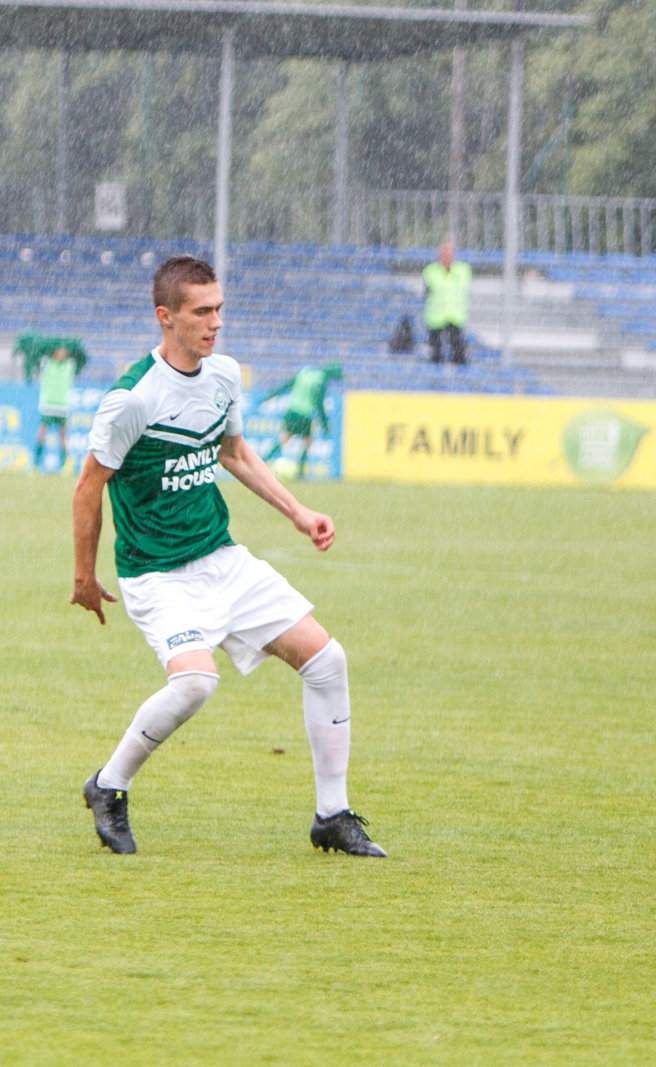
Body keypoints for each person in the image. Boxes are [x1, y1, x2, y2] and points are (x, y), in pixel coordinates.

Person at [71, 255, 384, 858]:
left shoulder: (223, 376)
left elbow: (233, 452)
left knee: (327, 660)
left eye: (220, 309)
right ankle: (109, 786)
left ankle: (332, 814)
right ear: (166, 318)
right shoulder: (132, 397)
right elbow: (89, 485)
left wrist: (297, 512)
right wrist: (84, 576)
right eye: (202, 311)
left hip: (222, 559)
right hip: (157, 573)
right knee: (194, 683)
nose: (216, 322)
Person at [263, 362, 342, 480]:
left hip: (291, 411)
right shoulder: (320, 380)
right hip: (304, 413)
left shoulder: (305, 372)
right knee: (307, 442)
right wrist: (324, 423)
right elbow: (319, 403)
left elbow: (287, 384)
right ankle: (300, 473)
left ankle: (262, 462)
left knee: (285, 438)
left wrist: (272, 394)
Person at [21, 336, 86, 474]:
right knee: (42, 433)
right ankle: (36, 465)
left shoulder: (70, 365)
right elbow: (35, 356)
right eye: (59, 351)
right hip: (48, 404)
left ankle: (65, 466)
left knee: (63, 435)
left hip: (62, 406)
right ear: (54, 352)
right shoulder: (46, 363)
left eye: (64, 352)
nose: (62, 354)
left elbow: (81, 360)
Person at [423, 240, 471, 365]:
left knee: (459, 352)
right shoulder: (430, 271)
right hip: (436, 316)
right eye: (443, 252)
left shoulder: (463, 270)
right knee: (436, 353)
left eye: (449, 252)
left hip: (455, 315)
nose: (446, 255)